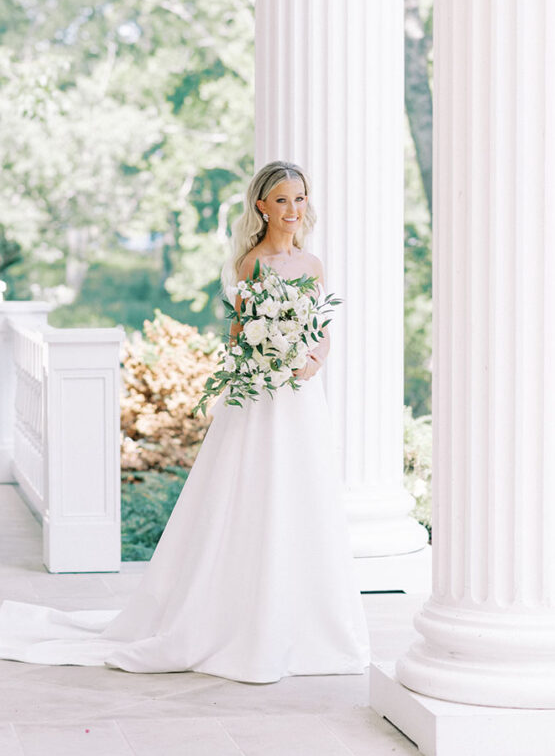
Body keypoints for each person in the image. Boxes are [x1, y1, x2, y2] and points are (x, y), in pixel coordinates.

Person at [0, 160, 370, 683]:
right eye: (283, 200)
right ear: (261, 206)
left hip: (303, 396)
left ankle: (307, 622)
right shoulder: (251, 264)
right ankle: (243, 616)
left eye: (301, 199)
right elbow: (238, 335)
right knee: (255, 492)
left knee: (304, 492)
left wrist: (311, 360)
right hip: (263, 393)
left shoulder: (311, 264)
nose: (293, 209)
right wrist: (266, 355)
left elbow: (320, 328)